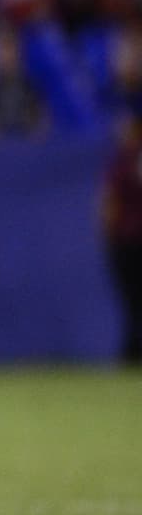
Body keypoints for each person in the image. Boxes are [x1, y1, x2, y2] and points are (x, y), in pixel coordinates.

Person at [102, 110, 142, 365]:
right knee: (132, 299)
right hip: (127, 239)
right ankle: (131, 350)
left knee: (132, 298)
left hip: (126, 239)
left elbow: (108, 202)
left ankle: (131, 351)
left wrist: (108, 232)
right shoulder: (123, 160)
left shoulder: (125, 160)